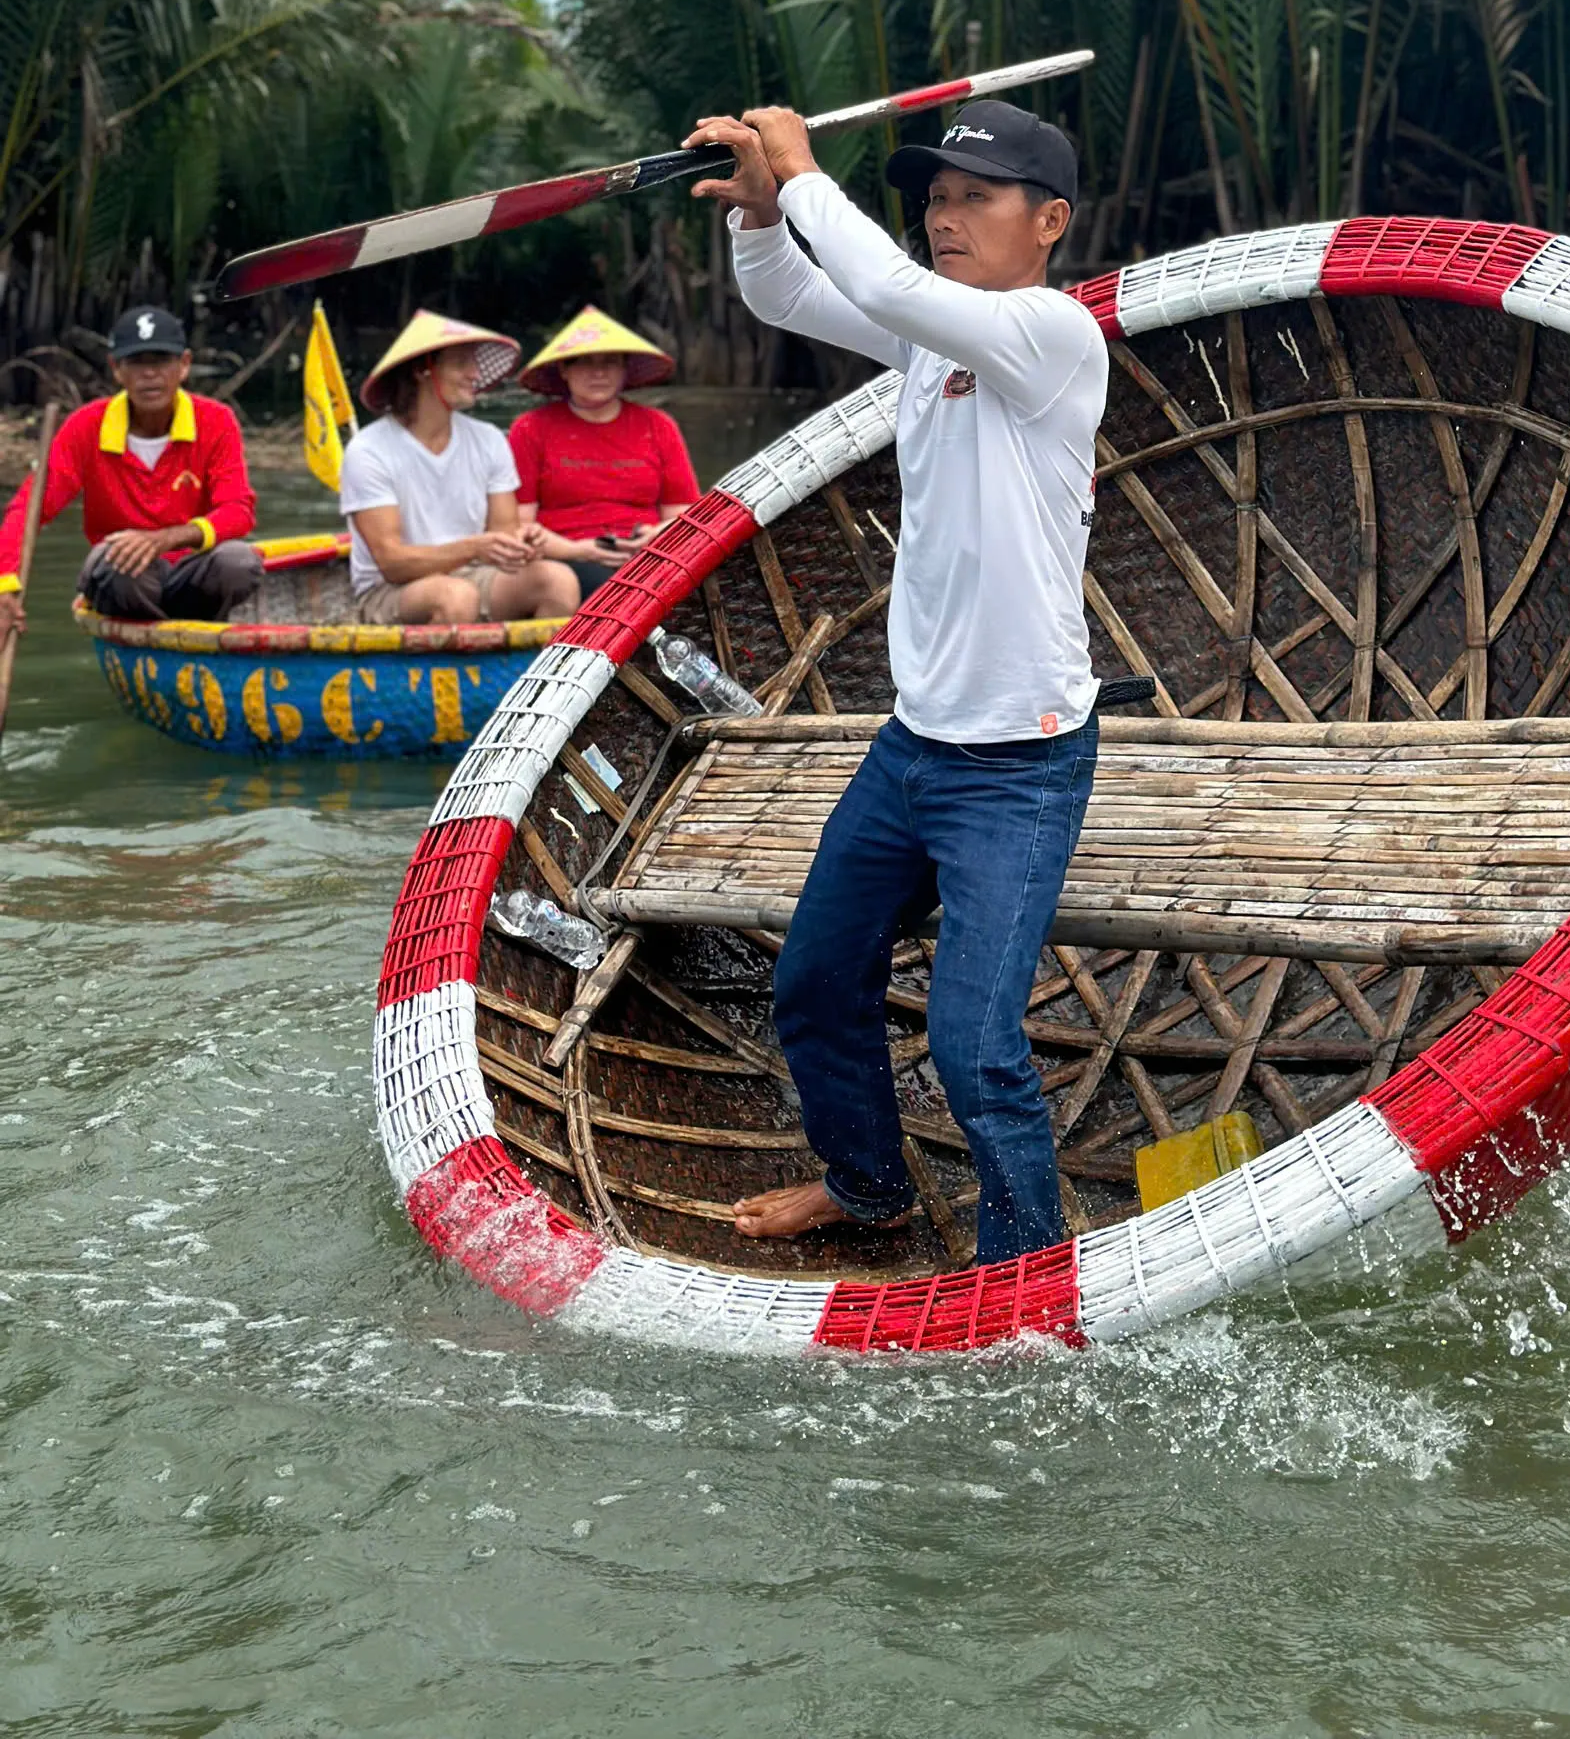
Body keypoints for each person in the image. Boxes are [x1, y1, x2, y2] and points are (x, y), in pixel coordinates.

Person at [686, 96, 1108, 1268]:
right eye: (934, 199)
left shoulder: (1049, 334)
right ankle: (870, 1189)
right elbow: (794, 295)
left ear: (1050, 222)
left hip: (1020, 764)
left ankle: (1021, 1272)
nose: (946, 216)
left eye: (976, 197)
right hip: (915, 745)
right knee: (817, 983)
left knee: (977, 1047)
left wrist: (803, 168)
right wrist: (767, 217)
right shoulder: (934, 337)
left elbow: (884, 286)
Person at [0, 304, 262, 638]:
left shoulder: (216, 420)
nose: (149, 374)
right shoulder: (86, 426)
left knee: (239, 562)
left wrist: (164, 539)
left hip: (188, 571)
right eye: (137, 362)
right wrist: (4, 584)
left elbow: (238, 511)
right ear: (116, 370)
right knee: (122, 568)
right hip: (121, 577)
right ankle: (158, 637)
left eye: (161, 361)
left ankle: (187, 632)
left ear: (184, 366)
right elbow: (29, 509)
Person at [338, 312, 579, 627]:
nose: (474, 374)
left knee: (558, 582)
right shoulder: (369, 450)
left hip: (473, 574)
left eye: (474, 363)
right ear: (422, 369)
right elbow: (392, 563)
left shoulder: (488, 439)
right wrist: (476, 546)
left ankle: (531, 675)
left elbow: (503, 532)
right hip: (391, 590)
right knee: (455, 597)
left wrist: (521, 544)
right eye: (461, 363)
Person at [508, 307, 697, 599]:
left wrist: (655, 536)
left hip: (648, 554)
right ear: (564, 370)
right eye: (584, 362)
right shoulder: (531, 428)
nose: (599, 372)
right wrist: (579, 550)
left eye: (610, 362)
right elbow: (519, 525)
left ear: (624, 370)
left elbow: (683, 514)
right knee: (610, 590)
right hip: (566, 556)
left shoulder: (659, 425)